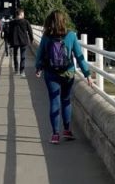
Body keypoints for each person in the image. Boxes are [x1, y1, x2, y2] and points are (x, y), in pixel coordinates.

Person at [35, 10, 92, 145]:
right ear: (64, 21)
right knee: (66, 100)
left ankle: (55, 134)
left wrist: (38, 68)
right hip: (68, 73)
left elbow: (40, 54)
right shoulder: (71, 35)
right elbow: (79, 57)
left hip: (51, 73)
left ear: (50, 21)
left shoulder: (46, 36)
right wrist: (87, 74)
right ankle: (67, 131)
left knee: (54, 101)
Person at [6, 9, 34, 75]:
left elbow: (9, 33)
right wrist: (31, 39)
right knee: (23, 56)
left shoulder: (12, 22)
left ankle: (16, 69)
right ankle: (22, 71)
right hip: (23, 41)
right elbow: (30, 31)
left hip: (14, 41)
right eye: (23, 14)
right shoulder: (26, 22)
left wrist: (9, 42)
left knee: (15, 55)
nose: (24, 15)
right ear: (21, 14)